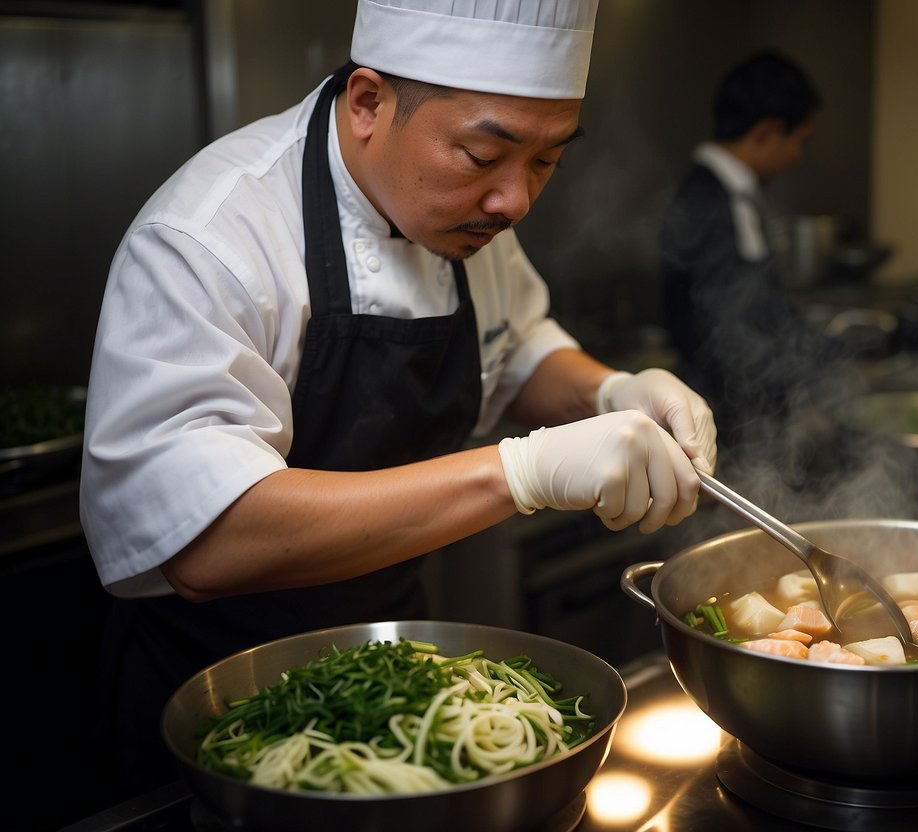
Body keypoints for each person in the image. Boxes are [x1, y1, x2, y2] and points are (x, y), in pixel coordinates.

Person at [79, 0, 715, 804]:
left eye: (548, 160)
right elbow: (206, 542)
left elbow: (515, 347)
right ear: (369, 103)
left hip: (391, 672)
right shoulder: (210, 239)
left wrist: (610, 389)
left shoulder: (472, 217)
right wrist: (518, 474)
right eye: (483, 154)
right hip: (218, 701)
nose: (514, 201)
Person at [660, 50, 823, 460]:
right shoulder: (707, 201)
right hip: (722, 420)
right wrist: (792, 399)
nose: (798, 158)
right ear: (768, 132)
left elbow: (758, 310)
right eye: (800, 142)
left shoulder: (730, 194)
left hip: (735, 413)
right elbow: (724, 336)